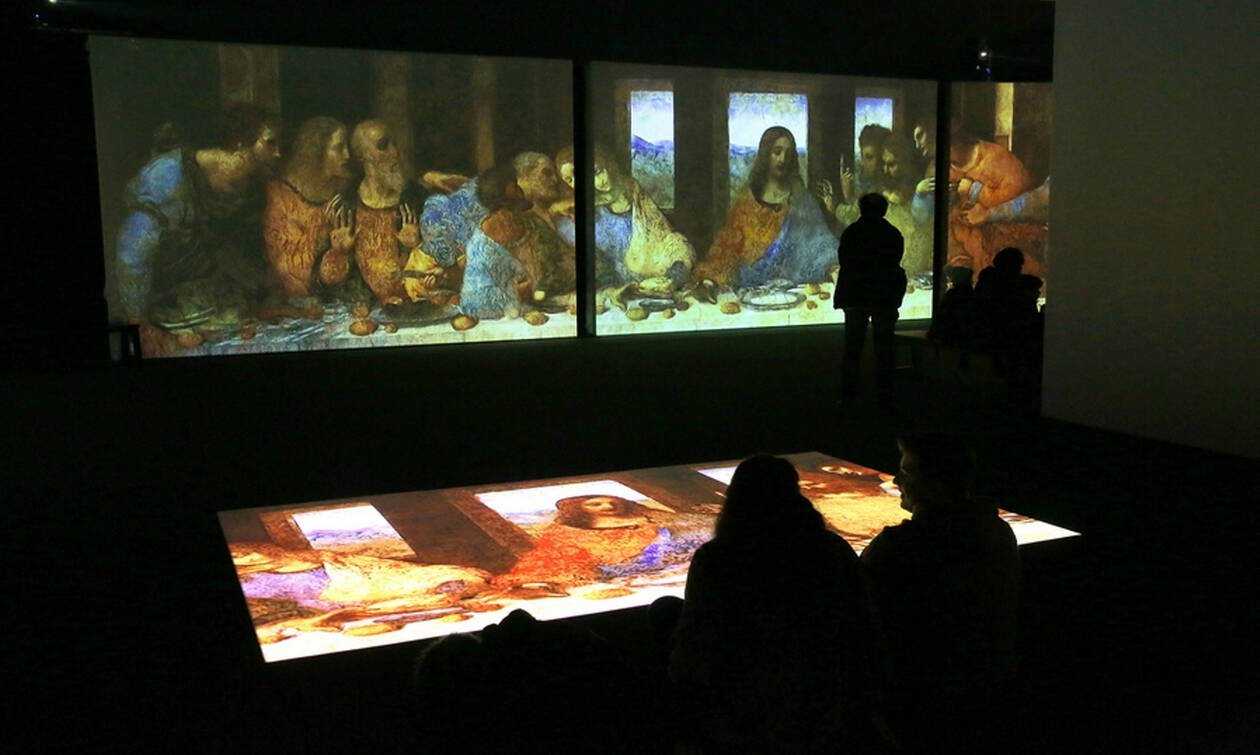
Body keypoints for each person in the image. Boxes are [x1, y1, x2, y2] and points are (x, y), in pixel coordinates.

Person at [669, 455, 873, 751]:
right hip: (822, 695)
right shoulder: (832, 548)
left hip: (744, 702)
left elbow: (697, 638)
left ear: (734, 497)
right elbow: (861, 621)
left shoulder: (717, 557)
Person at [860, 434, 1020, 752]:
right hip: (987, 687)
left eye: (907, 472)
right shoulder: (998, 531)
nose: (896, 480)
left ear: (934, 483)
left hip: (916, 695)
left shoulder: (898, 547)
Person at [115, 104, 280, 354]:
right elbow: (131, 256)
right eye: (270, 143)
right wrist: (138, 322)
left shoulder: (247, 187)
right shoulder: (168, 178)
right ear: (239, 143)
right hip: (159, 308)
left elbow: (223, 249)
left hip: (206, 304)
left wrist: (263, 290)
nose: (278, 153)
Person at [696, 126, 837, 291]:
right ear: (766, 154)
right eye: (777, 152)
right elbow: (726, 248)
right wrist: (710, 279)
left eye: (788, 154)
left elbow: (821, 242)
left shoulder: (801, 200)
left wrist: (833, 268)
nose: (782, 159)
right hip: (750, 290)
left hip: (794, 290)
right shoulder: (746, 202)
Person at [347, 119, 456, 315]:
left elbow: (449, 261)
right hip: (373, 313)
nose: (395, 153)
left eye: (394, 144)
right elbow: (344, 279)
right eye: (383, 146)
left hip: (422, 306)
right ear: (362, 157)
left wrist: (419, 245)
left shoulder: (418, 197)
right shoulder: (349, 202)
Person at [261, 116, 367, 308]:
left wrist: (338, 252)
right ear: (316, 151)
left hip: (332, 300)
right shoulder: (279, 195)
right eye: (338, 148)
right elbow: (282, 266)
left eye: (347, 147)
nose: (347, 155)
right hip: (285, 302)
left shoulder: (346, 193)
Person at [587, 144, 694, 296]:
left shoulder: (631, 187)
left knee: (680, 244)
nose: (600, 181)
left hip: (652, 263)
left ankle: (669, 281)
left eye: (599, 171)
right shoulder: (594, 211)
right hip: (619, 276)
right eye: (591, 177)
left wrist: (671, 276)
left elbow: (662, 231)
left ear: (608, 165)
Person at [833, 193, 907, 407]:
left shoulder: (851, 232)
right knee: (885, 349)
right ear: (884, 210)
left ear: (861, 209)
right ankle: (885, 398)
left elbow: (844, 261)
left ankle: (848, 397)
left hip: (855, 297)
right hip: (885, 297)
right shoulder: (893, 234)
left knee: (852, 348)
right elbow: (895, 261)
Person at [947, 132, 1034, 278]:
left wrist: (975, 190)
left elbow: (1020, 200)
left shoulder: (997, 158)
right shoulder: (943, 169)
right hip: (969, 244)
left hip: (1006, 240)